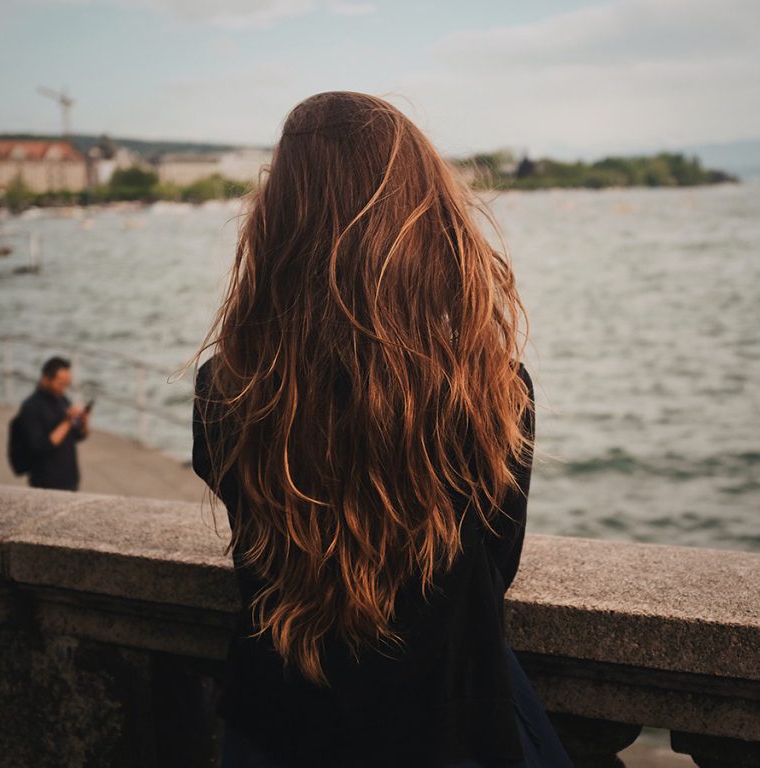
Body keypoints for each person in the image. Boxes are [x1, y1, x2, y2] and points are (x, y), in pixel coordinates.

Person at [189, 92, 573, 768]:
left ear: (278, 221)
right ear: (426, 219)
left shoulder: (228, 389)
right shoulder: (491, 390)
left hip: (278, 727)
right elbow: (494, 569)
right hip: (444, 733)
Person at [18, 356, 89, 491]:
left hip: (69, 480)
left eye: (67, 384)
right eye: (61, 383)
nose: (64, 388)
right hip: (46, 482)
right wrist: (67, 422)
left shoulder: (62, 400)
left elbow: (77, 436)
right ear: (45, 378)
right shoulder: (31, 407)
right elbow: (39, 447)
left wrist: (84, 422)